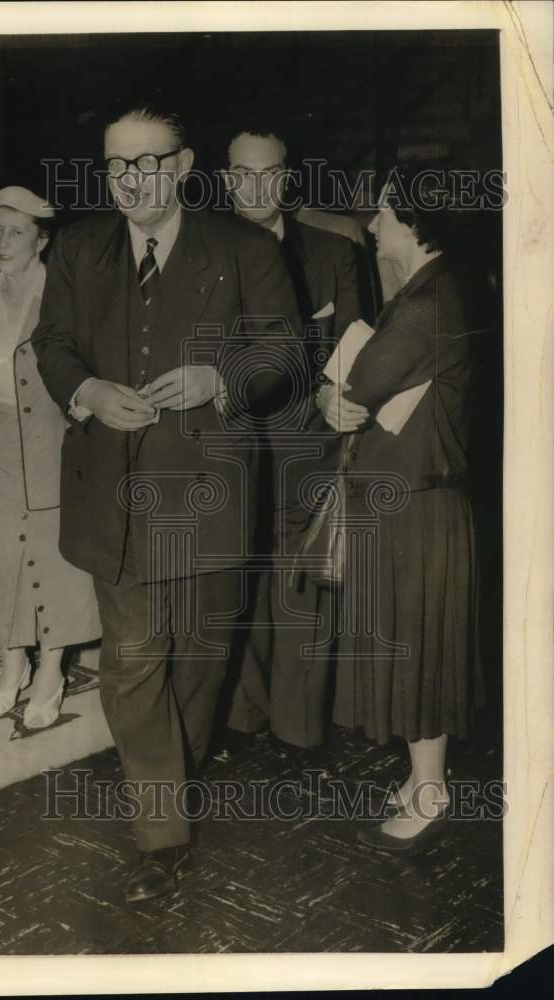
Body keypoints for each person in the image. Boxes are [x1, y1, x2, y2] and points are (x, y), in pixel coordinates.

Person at [32, 104, 302, 901]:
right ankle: (162, 831)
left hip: (207, 497)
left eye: (146, 163)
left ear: (183, 167)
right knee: (133, 662)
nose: (129, 180)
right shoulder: (80, 249)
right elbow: (53, 344)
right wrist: (83, 388)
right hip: (110, 501)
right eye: (116, 164)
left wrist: (220, 379)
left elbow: (281, 356)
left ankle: (173, 777)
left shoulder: (244, 249)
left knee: (201, 660)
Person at [316, 161, 485, 852]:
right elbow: (352, 397)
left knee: (420, 652)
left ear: (415, 221)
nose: (371, 223)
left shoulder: (423, 307)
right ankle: (423, 780)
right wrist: (339, 396)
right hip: (413, 502)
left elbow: (353, 387)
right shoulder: (434, 289)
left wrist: (334, 388)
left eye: (384, 212)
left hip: (416, 510)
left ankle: (431, 792)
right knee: (417, 647)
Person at [219, 127, 369, 763]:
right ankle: (242, 715)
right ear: (227, 180)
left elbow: (359, 341)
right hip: (227, 449)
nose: (256, 186)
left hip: (308, 446)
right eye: (243, 174)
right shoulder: (199, 251)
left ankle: (298, 731)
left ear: (286, 177)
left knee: (302, 589)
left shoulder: (333, 252)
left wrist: (341, 396)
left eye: (269, 173)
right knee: (238, 582)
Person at [0, 185, 101, 729]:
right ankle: (12, 661)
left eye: (17, 233)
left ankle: (51, 668)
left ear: (42, 239)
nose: (2, 242)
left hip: (54, 444)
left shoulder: (66, 297)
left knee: (56, 562)